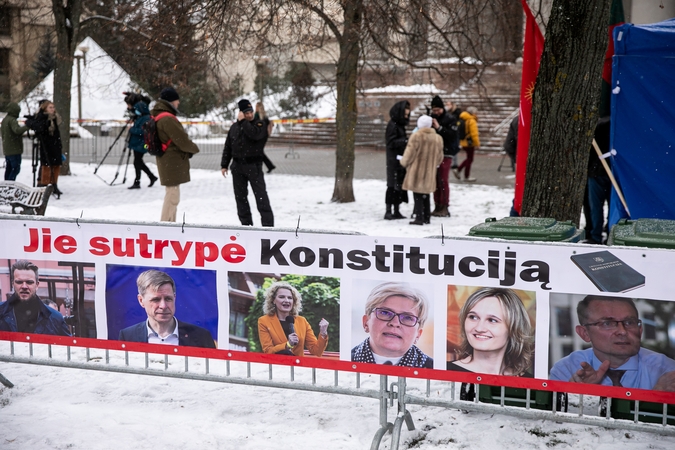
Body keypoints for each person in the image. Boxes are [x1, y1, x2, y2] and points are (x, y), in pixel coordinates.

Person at [550, 295, 675, 391]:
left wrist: (660, 400)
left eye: (629, 322)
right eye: (607, 323)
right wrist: (578, 399)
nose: (622, 331)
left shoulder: (666, 369)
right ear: (584, 333)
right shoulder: (567, 369)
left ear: (640, 330)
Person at [118, 270, 216, 348]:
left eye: (168, 299)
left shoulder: (201, 337)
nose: (163, 306)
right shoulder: (128, 337)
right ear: (141, 300)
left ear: (175, 297)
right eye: (156, 299)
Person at [447, 287, 533, 376]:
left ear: (513, 327)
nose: (479, 328)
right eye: (473, 317)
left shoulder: (530, 383)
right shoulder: (444, 373)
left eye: (492, 320)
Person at [352, 282, 433, 368]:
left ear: (418, 334)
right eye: (385, 312)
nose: (395, 323)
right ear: (366, 322)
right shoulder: (343, 359)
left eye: (408, 318)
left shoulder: (436, 368)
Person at [221, 98, 274, 227]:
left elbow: (254, 135)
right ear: (241, 113)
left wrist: (244, 121)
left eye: (250, 112)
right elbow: (228, 146)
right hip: (237, 167)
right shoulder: (234, 127)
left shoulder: (259, 124)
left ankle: (268, 226)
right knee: (240, 198)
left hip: (253, 166)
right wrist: (224, 165)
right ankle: (246, 225)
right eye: (246, 113)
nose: (249, 115)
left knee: (261, 197)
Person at [151, 87, 200, 222]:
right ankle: (166, 224)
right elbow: (181, 140)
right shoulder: (167, 119)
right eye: (177, 101)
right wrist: (194, 149)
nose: (178, 104)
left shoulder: (159, 115)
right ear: (171, 101)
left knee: (172, 194)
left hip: (167, 160)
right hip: (170, 161)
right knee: (172, 196)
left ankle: (170, 222)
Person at [257, 281, 329, 357]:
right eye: (281, 297)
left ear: (294, 301)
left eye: (290, 298)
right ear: (273, 300)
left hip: (298, 366)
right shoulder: (264, 321)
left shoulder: (302, 321)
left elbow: (316, 351)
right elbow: (268, 351)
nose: (287, 300)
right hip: (278, 366)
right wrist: (288, 345)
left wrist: (323, 333)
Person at [0, 260, 70, 336]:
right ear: (13, 284)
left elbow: (69, 346)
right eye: (19, 282)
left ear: (37, 285)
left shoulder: (55, 318)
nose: (24, 286)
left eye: (29, 282)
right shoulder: (1, 311)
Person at [400, 115, 443, 226]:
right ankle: (426, 217)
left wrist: (403, 162)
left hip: (417, 170)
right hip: (430, 171)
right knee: (426, 194)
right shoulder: (438, 138)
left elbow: (410, 153)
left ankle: (419, 217)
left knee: (417, 194)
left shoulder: (416, 136)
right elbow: (440, 157)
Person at [430, 95, 461, 218]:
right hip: (434, 153)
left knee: (443, 180)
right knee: (435, 181)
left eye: (438, 110)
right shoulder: (431, 118)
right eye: (434, 110)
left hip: (446, 153)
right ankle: (437, 205)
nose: (436, 112)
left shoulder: (450, 119)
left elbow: (452, 135)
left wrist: (439, 128)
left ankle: (444, 206)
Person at [25, 100, 64, 197]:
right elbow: (38, 126)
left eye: (53, 107)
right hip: (46, 145)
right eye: (50, 107)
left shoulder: (54, 118)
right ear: (45, 108)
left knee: (56, 165)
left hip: (55, 145)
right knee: (46, 166)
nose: (53, 109)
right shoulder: (42, 117)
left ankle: (54, 185)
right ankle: (45, 186)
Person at [583, 117, 611, 244]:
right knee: (611, 206)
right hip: (610, 170)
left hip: (597, 171)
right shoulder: (613, 124)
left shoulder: (598, 125)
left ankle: (596, 235)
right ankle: (607, 233)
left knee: (595, 206)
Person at [384, 100, 410, 220]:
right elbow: (390, 142)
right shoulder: (393, 125)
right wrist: (404, 141)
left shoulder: (399, 125)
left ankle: (396, 210)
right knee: (392, 185)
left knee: (398, 185)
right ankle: (389, 211)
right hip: (393, 160)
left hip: (399, 159)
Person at [127, 101, 158, 189]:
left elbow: (143, 132)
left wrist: (131, 129)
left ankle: (138, 181)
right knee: (138, 162)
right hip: (138, 144)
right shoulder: (141, 117)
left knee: (137, 162)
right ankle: (151, 177)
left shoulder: (146, 119)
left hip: (143, 144)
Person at [1, 102, 29, 180]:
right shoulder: (12, 120)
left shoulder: (5, 120)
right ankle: (10, 185)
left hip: (8, 150)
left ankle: (6, 185)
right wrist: (28, 126)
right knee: (15, 168)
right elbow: (17, 130)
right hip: (14, 149)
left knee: (9, 169)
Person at [454, 106, 480, 182]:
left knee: (469, 158)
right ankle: (464, 174)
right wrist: (477, 143)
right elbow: (474, 134)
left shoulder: (463, 118)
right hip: (470, 143)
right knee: (470, 159)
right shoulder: (471, 120)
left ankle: (459, 171)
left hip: (464, 141)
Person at [503, 114, 519, 217]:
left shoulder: (518, 119)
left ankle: (514, 219)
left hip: (522, 163)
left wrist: (516, 160)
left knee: (519, 196)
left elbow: (509, 145)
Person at [254, 102, 276, 173]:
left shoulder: (261, 116)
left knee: (258, 151)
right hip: (259, 136)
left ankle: (260, 167)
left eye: (257, 106)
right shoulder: (257, 115)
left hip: (262, 136)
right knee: (259, 151)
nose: (255, 108)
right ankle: (269, 166)